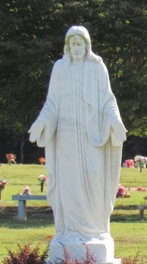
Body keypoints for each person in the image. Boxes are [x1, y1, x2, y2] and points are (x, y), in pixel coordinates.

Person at [28, 26, 127, 243]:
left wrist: (116, 122)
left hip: (92, 135)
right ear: (67, 46)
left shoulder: (97, 68)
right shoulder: (60, 68)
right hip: (66, 135)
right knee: (69, 183)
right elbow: (52, 102)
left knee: (94, 175)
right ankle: (70, 231)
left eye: (79, 44)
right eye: (72, 44)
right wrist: (40, 123)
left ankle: (95, 229)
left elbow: (108, 100)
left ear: (87, 45)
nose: (76, 48)